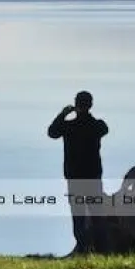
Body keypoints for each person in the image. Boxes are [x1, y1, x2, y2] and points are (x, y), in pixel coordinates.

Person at [47, 90, 109, 255]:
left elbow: (52, 132)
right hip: (93, 178)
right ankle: (101, 250)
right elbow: (104, 129)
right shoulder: (98, 126)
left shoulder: (68, 127)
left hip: (75, 179)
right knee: (97, 216)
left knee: (78, 217)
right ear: (91, 105)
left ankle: (83, 249)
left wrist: (63, 114)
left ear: (76, 105)